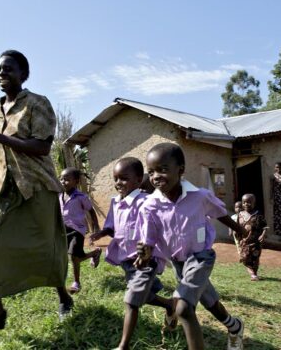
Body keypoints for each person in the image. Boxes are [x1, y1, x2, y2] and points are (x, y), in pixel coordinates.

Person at [0, 50, 73, 338]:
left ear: (23, 74)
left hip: (36, 185)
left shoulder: (37, 104)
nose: (2, 73)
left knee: (47, 246)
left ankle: (63, 296)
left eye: (9, 69)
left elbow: (41, 147)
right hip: (3, 186)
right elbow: (1, 150)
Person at [136, 143, 246, 350]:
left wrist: (240, 229)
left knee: (184, 307)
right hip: (178, 262)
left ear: (181, 169)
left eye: (163, 169)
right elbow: (148, 237)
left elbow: (219, 212)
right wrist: (145, 252)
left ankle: (176, 312)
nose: (156, 176)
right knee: (208, 300)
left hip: (201, 257)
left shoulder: (200, 196)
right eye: (151, 172)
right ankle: (235, 326)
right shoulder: (149, 205)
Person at [90, 157, 176, 350]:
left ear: (138, 180)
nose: (118, 183)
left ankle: (123, 346)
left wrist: (147, 251)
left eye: (123, 178)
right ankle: (170, 304)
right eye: (115, 179)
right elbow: (113, 227)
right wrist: (102, 232)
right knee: (143, 296)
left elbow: (156, 226)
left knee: (131, 301)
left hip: (146, 260)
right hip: (126, 260)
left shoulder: (146, 202)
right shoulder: (116, 202)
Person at [59, 167, 102, 294]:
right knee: (76, 257)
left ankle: (76, 282)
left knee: (73, 256)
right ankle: (95, 253)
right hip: (63, 230)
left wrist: (96, 227)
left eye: (67, 179)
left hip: (77, 230)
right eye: (61, 179)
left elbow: (91, 211)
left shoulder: (81, 197)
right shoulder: (59, 195)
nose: (63, 182)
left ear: (76, 181)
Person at [236, 194, 267, 281]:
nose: (246, 204)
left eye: (249, 202)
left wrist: (263, 235)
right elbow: (237, 227)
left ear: (254, 203)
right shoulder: (240, 214)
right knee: (245, 258)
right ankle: (253, 274)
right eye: (244, 202)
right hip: (244, 241)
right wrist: (238, 238)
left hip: (256, 241)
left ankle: (254, 274)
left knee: (255, 257)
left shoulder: (258, 214)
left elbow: (265, 226)